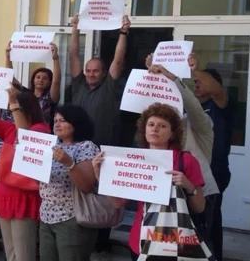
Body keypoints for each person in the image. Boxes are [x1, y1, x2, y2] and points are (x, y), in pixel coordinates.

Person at [93, 103, 206, 260]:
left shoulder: (186, 160)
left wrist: (188, 185)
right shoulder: (135, 161)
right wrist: (101, 176)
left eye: (162, 126)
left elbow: (200, 207)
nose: (155, 129)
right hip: (140, 239)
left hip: (176, 240)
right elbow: (118, 203)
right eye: (151, 124)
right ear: (144, 130)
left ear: (172, 133)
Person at [69, 14, 129, 259]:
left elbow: (118, 59)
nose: (91, 74)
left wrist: (123, 32)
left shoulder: (109, 86)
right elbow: (73, 56)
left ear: (104, 73)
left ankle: (101, 244)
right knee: (79, 193)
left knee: (103, 197)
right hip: (77, 152)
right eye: (88, 70)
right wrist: (75, 28)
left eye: (96, 71)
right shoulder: (78, 85)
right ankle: (82, 234)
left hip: (103, 153)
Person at [146, 55, 219, 247]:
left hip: (197, 193)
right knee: (163, 244)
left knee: (196, 245)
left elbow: (194, 107)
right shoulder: (157, 128)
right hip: (163, 192)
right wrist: (153, 75)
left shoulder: (199, 123)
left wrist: (172, 78)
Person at [0, 81, 49, 261]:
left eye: (14, 108)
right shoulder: (9, 129)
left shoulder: (41, 130)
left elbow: (25, 138)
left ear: (27, 109)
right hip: (4, 191)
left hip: (24, 194)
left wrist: (14, 101)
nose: (10, 111)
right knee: (11, 253)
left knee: (24, 254)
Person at [39, 105, 100, 261]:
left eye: (63, 120)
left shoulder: (86, 146)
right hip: (46, 216)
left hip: (72, 219)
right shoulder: (52, 146)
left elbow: (86, 185)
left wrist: (69, 163)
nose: (57, 124)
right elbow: (40, 180)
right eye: (55, 121)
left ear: (76, 123)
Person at [191, 54, 233, 261]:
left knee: (211, 219)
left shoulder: (220, 105)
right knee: (196, 218)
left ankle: (214, 257)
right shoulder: (190, 107)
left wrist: (196, 69)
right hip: (192, 170)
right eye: (195, 82)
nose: (197, 85)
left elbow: (215, 89)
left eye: (201, 82)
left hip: (215, 171)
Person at [6, 42, 62, 125]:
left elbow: (56, 81)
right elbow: (10, 78)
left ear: (50, 82)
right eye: (38, 77)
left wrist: (56, 59)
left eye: (45, 78)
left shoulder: (49, 97)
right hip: (24, 132)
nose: (41, 80)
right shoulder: (27, 94)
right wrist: (8, 57)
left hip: (41, 134)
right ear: (33, 79)